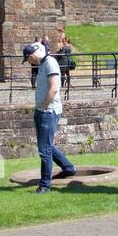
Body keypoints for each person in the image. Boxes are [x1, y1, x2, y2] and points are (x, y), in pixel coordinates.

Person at [24, 42, 75, 193]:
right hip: (42, 111)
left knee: (44, 149)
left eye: (27, 60)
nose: (28, 62)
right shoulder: (43, 63)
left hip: (48, 111)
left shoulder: (50, 63)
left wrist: (45, 106)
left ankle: (45, 185)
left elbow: (54, 88)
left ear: (31, 56)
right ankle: (68, 168)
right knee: (47, 145)